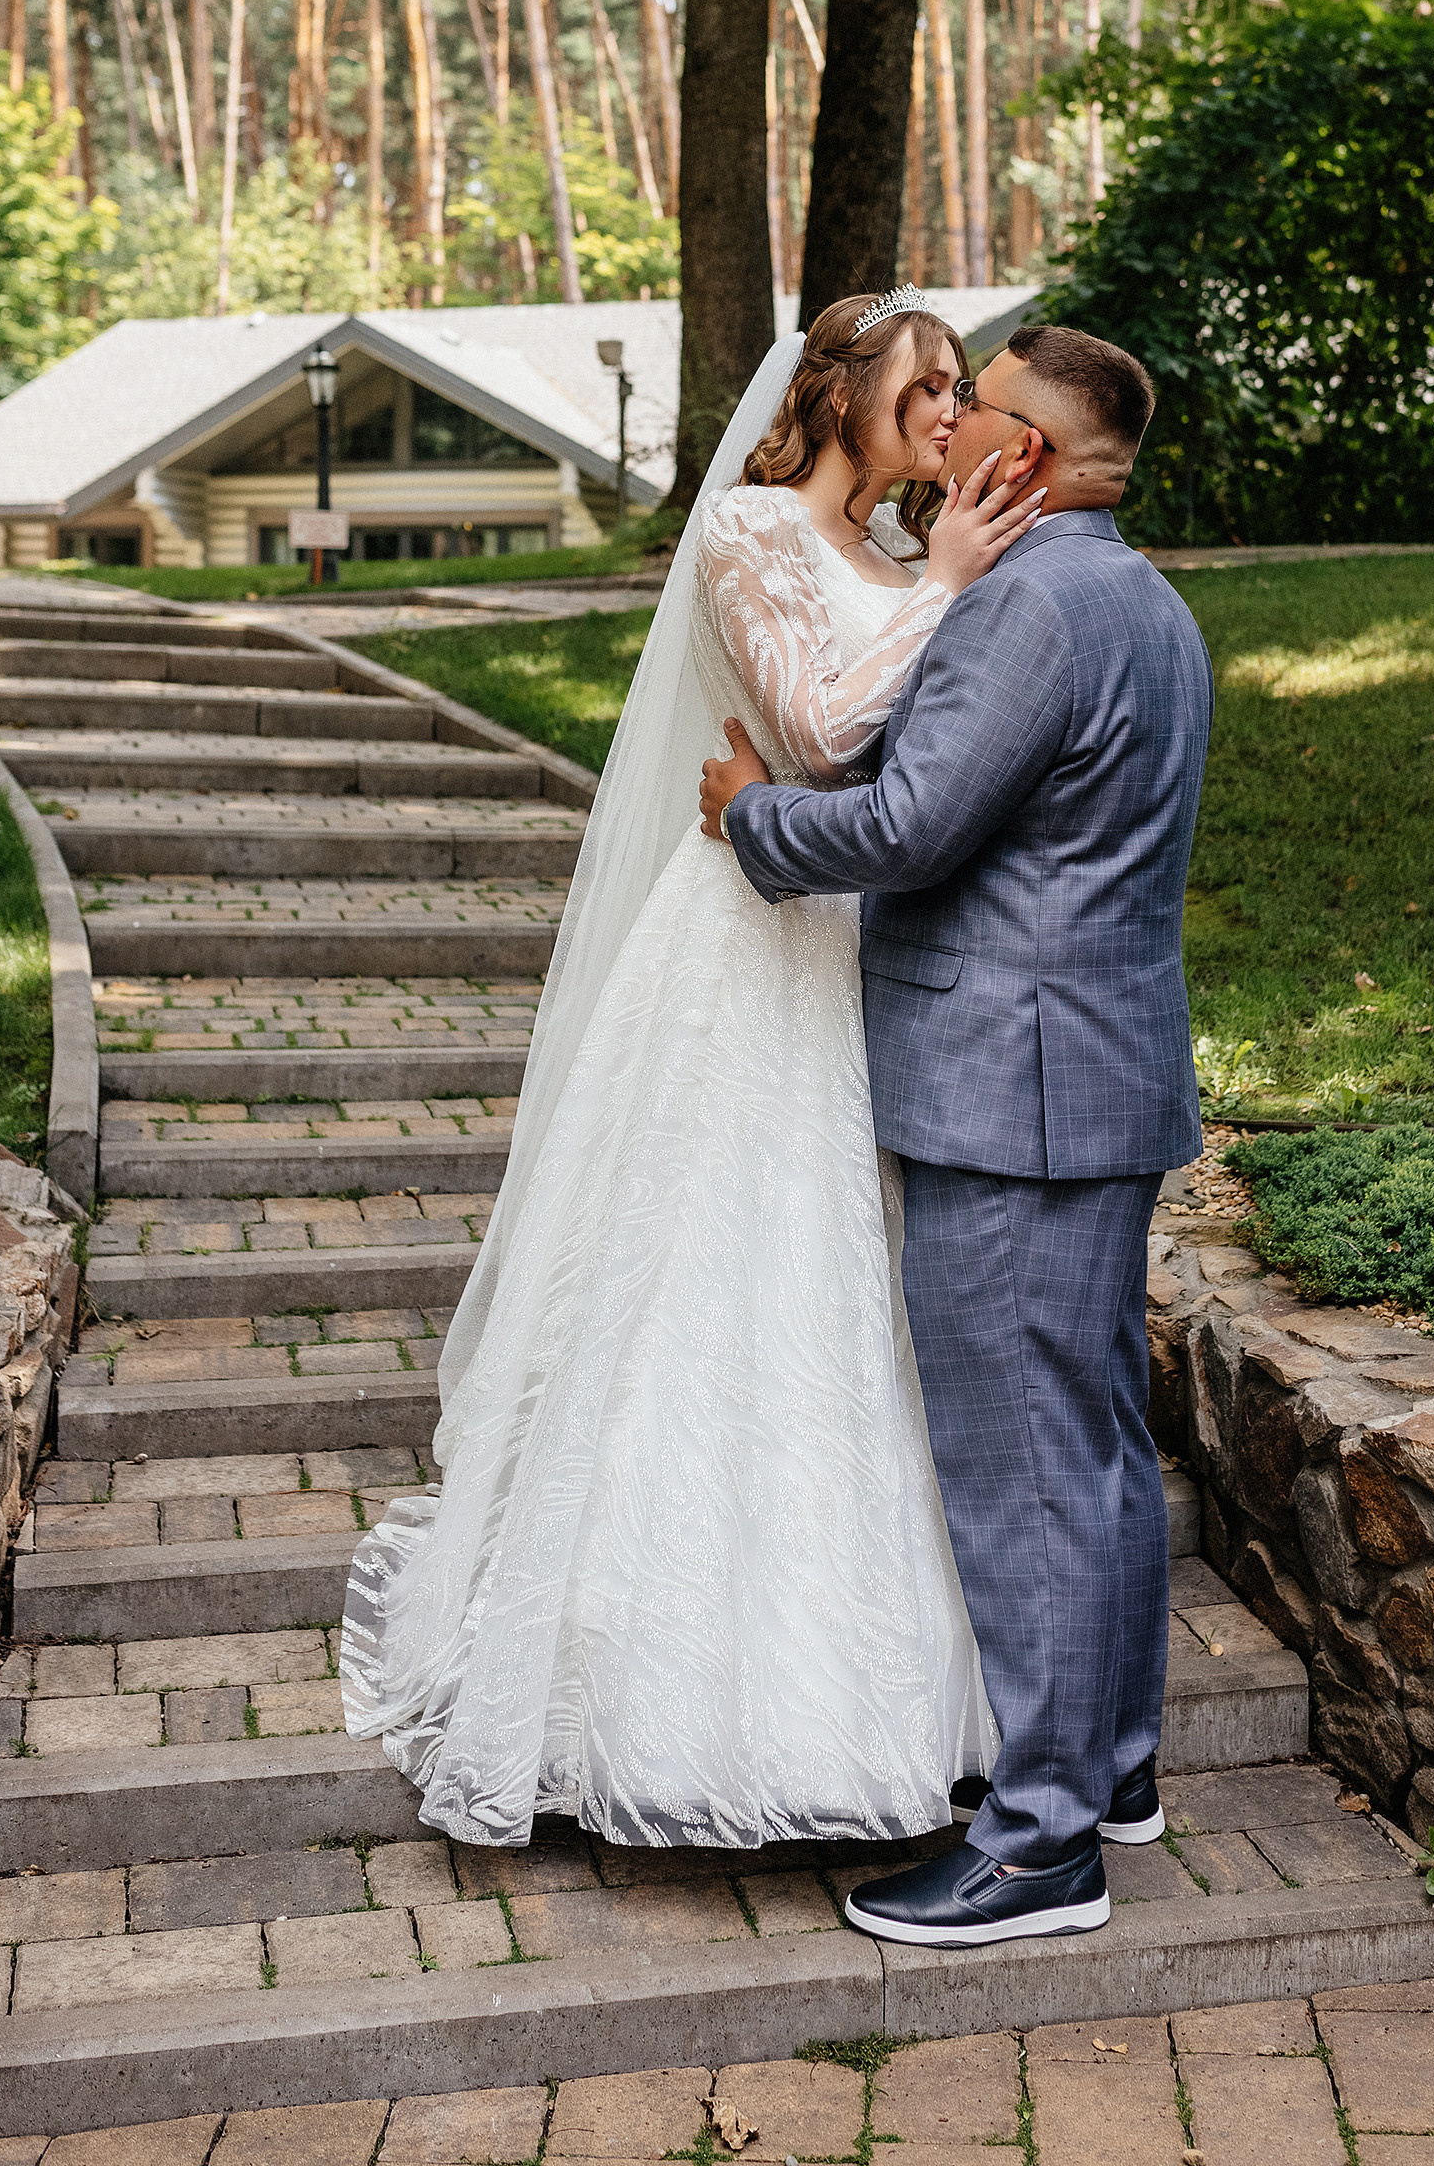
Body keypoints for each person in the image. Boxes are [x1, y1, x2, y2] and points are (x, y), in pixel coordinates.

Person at [338, 292, 1039, 1852]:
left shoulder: (900, 558)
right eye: (926, 388)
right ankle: (640, 1686)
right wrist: (944, 587)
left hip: (862, 952)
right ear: (840, 394)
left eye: (958, 392)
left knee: (841, 1297)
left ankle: (877, 1686)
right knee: (708, 1280)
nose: (949, 414)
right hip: (742, 957)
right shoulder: (750, 532)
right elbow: (818, 727)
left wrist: (934, 579)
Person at [700, 321, 1212, 1948]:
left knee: (1025, 1472)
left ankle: (1042, 1845)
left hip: (1014, 1094)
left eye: (972, 406)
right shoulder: (1147, 602)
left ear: (1029, 460)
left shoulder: (1027, 609)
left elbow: (910, 828)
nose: (946, 424)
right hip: (1098, 1079)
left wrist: (748, 819)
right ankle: (1114, 1767)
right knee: (1102, 1448)